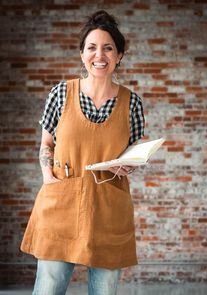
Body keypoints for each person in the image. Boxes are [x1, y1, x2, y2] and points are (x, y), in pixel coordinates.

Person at [20, 10, 145, 295]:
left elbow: (135, 150)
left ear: (119, 55)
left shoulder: (132, 102)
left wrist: (130, 165)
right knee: (48, 289)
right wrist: (46, 174)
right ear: (81, 54)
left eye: (108, 48)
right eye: (91, 47)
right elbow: (46, 144)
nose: (99, 55)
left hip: (108, 207)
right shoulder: (61, 93)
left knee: (104, 290)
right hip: (61, 203)